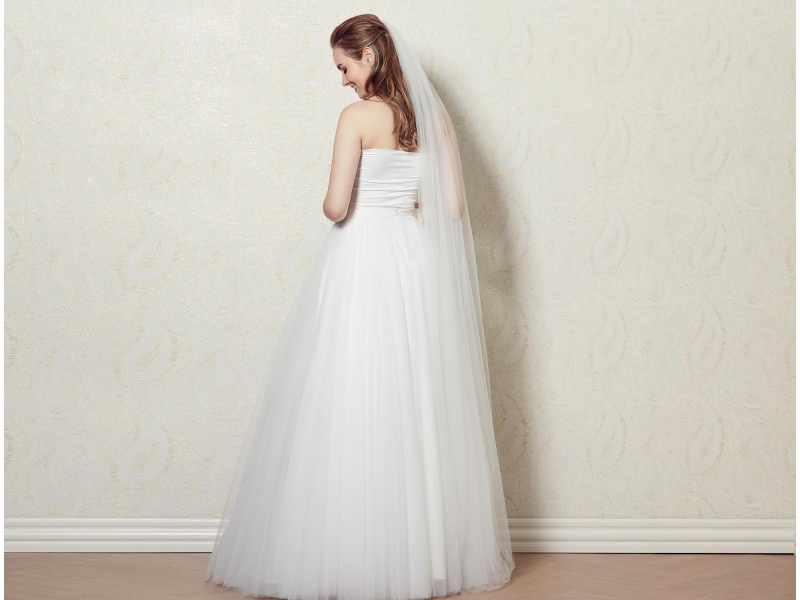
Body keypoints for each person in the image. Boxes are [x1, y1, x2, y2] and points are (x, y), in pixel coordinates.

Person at [205, 14, 515, 599]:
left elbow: (335, 206)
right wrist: (404, 210)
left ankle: (351, 551)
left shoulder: (356, 118)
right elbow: (451, 210)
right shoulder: (434, 120)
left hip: (362, 255)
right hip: (413, 259)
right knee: (414, 393)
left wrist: (351, 198)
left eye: (344, 67)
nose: (343, 80)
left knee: (350, 386)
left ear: (369, 56)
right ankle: (420, 556)